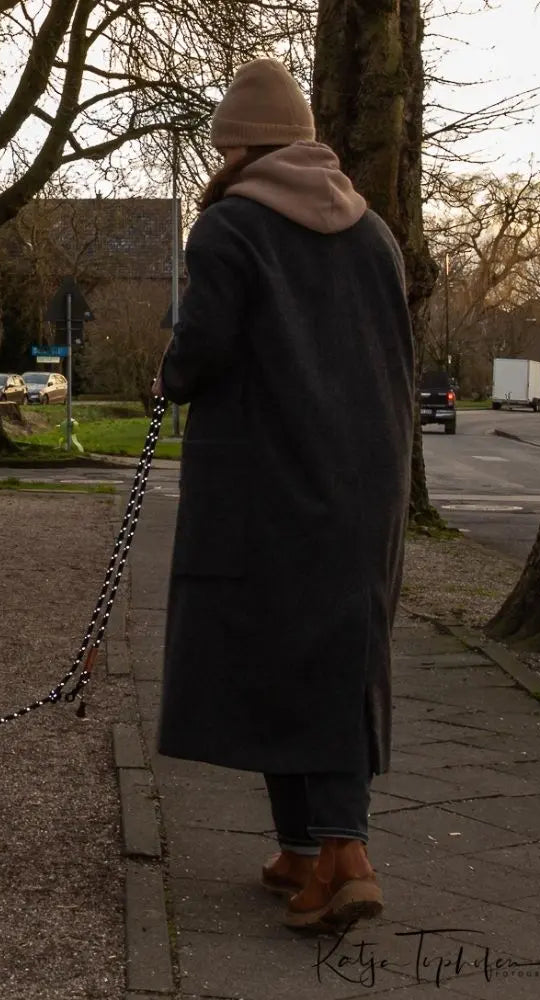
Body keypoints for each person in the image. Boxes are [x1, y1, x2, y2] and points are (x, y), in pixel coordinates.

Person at [154, 58, 414, 932]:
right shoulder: (375, 233)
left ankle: (345, 854)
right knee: (340, 649)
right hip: (363, 482)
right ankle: (301, 846)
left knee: (270, 650)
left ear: (238, 150)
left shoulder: (231, 229)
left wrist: (170, 370)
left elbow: (203, 349)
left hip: (264, 483)